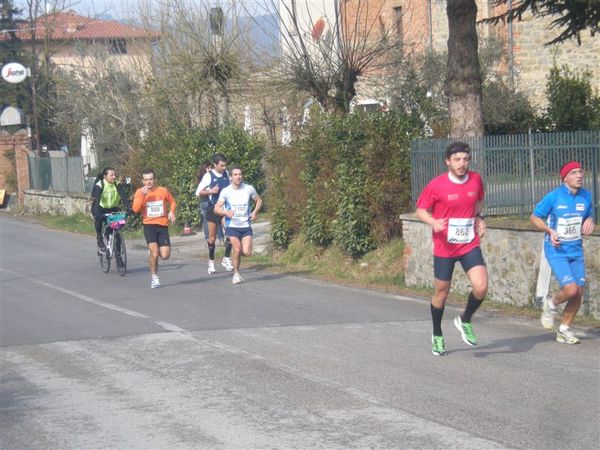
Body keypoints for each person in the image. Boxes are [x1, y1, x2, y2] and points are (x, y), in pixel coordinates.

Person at [415, 142, 487, 356]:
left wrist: (478, 217)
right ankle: (437, 334)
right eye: (457, 160)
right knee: (442, 293)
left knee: (481, 287)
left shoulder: (475, 180)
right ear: (448, 161)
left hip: (468, 243)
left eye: (465, 159)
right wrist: (433, 222)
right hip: (444, 247)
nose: (462, 164)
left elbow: (479, 200)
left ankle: (465, 319)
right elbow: (420, 210)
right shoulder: (437, 185)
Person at [530, 161, 594, 344]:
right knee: (570, 289)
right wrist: (549, 231)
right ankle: (550, 304)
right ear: (565, 177)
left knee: (578, 292)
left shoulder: (586, 196)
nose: (579, 176)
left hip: (576, 250)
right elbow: (534, 217)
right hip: (556, 250)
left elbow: (588, 215)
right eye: (574, 173)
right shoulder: (554, 197)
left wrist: (590, 220)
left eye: (580, 172)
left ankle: (564, 330)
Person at [214, 166, 262, 284]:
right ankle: (236, 274)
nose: (238, 177)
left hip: (245, 225)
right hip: (232, 226)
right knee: (237, 248)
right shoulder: (226, 191)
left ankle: (234, 255)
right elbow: (216, 209)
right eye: (235, 174)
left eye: (240, 174)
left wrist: (255, 212)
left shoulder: (248, 189)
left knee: (246, 252)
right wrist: (225, 212)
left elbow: (259, 200)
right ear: (231, 177)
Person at [132, 168, 177, 289]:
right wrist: (142, 195)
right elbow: (135, 209)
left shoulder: (162, 190)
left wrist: (172, 212)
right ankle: (154, 277)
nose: (149, 182)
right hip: (149, 225)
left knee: (165, 255)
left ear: (154, 179)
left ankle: (153, 254)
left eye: (151, 179)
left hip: (162, 226)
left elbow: (172, 202)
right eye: (146, 180)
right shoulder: (139, 192)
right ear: (143, 181)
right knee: (155, 253)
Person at [196, 153, 233, 274]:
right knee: (212, 238)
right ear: (215, 165)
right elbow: (198, 192)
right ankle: (211, 262)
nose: (224, 168)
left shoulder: (227, 173)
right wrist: (211, 191)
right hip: (213, 208)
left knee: (231, 233)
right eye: (221, 165)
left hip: (225, 209)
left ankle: (226, 258)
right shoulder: (208, 176)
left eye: (225, 165)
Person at [91, 167, 131, 257]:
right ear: (105, 176)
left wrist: (129, 208)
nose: (114, 177)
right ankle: (100, 239)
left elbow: (123, 197)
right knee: (98, 219)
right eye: (111, 175)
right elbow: (97, 200)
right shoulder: (100, 184)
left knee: (117, 231)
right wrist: (98, 213)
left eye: (115, 175)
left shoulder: (117, 184)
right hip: (101, 208)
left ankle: (118, 256)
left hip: (113, 209)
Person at [195, 162, 224, 243]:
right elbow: (198, 193)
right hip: (205, 201)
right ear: (204, 169)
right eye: (208, 168)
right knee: (206, 220)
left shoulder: (214, 176)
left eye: (211, 168)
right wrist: (210, 191)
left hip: (213, 201)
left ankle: (221, 238)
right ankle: (208, 239)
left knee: (217, 219)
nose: (210, 170)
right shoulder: (204, 178)